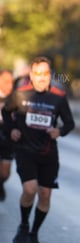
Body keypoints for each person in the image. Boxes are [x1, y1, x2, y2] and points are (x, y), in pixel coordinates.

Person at [2, 56, 75, 243]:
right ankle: (24, 224)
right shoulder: (20, 93)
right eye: (37, 73)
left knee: (45, 194)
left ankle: (34, 232)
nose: (41, 77)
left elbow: (69, 123)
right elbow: (6, 112)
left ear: (50, 75)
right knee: (30, 189)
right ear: (31, 76)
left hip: (48, 152)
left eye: (45, 73)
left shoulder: (58, 97)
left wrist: (59, 131)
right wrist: (12, 130)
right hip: (25, 150)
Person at [0, 69, 14, 201]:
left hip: (7, 139)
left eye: (11, 82)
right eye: (5, 81)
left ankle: (1, 183)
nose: (9, 85)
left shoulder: (15, 98)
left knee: (5, 173)